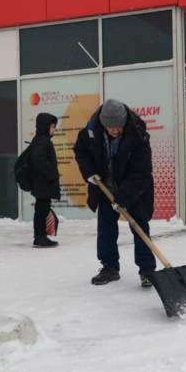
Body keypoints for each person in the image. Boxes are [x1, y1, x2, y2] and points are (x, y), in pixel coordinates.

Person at [73, 99, 156, 287]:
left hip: (134, 189)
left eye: (119, 127)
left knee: (139, 226)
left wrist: (124, 198)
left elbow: (141, 173)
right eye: (111, 128)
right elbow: (81, 151)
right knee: (106, 228)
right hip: (104, 187)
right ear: (103, 124)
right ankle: (109, 267)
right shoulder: (91, 132)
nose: (115, 131)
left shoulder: (138, 136)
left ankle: (147, 270)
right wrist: (89, 173)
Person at [30, 113, 60, 248]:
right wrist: (52, 173)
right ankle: (40, 237)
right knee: (42, 210)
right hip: (43, 182)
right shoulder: (42, 141)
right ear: (45, 126)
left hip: (42, 182)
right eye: (52, 126)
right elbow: (39, 160)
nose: (54, 129)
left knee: (42, 209)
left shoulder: (41, 139)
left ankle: (40, 236)